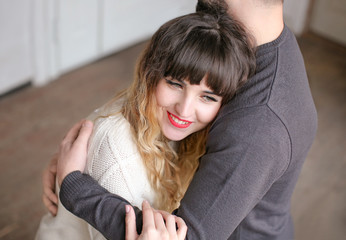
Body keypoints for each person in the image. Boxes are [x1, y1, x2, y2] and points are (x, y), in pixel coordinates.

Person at [45, 0, 318, 239]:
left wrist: (74, 185)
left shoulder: (259, 122)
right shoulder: (271, 42)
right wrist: (91, 143)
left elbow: (181, 238)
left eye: (209, 97)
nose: (187, 108)